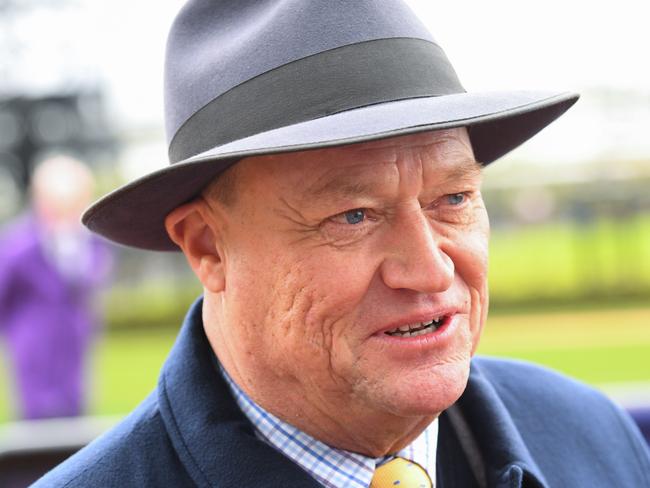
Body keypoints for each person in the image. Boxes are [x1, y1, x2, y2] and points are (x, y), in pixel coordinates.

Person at [35, 1, 650, 486]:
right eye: (354, 215)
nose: (430, 269)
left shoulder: (592, 436)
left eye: (454, 199)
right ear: (207, 248)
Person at [0, 155, 112, 420]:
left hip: (75, 344)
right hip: (34, 350)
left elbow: (92, 281)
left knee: (77, 415)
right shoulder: (19, 245)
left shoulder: (91, 242)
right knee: (40, 423)